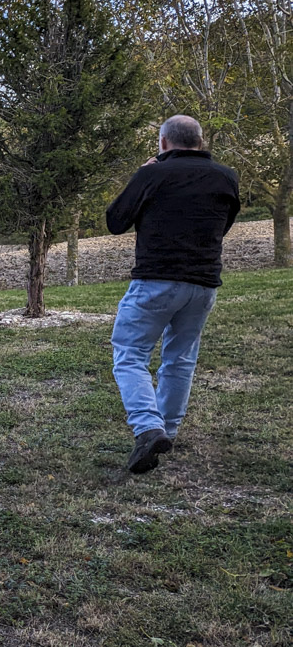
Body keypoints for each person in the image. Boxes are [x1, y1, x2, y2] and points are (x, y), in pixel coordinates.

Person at [106, 114, 240, 474]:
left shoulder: (153, 174)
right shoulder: (226, 177)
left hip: (156, 280)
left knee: (130, 353)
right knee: (180, 358)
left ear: (163, 143)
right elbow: (224, 224)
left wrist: (141, 174)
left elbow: (115, 220)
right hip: (204, 283)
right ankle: (168, 430)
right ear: (200, 141)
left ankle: (148, 427)